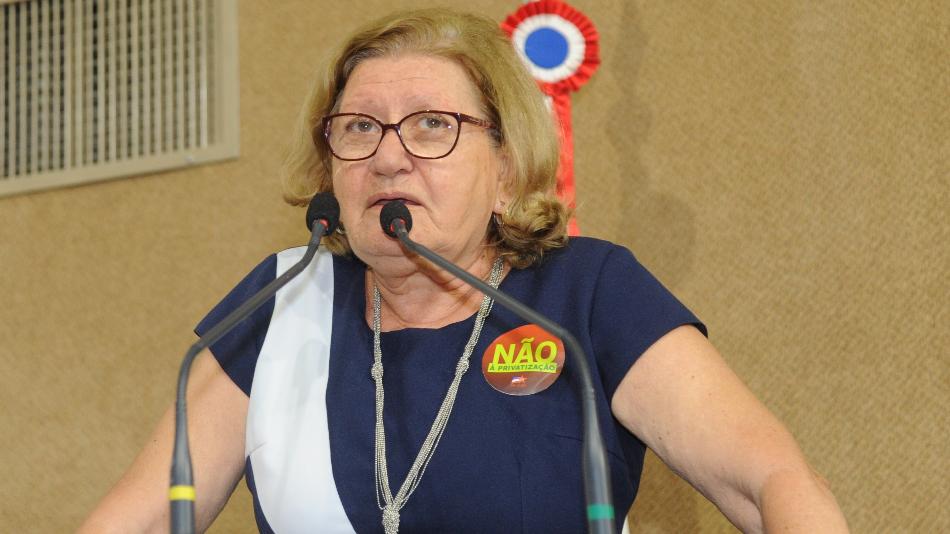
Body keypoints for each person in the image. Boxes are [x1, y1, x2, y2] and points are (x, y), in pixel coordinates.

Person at [80, 8, 848, 534]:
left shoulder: (584, 294)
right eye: (359, 127)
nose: (388, 156)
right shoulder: (283, 302)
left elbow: (771, 483)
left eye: (431, 125)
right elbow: (135, 521)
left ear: (507, 171)